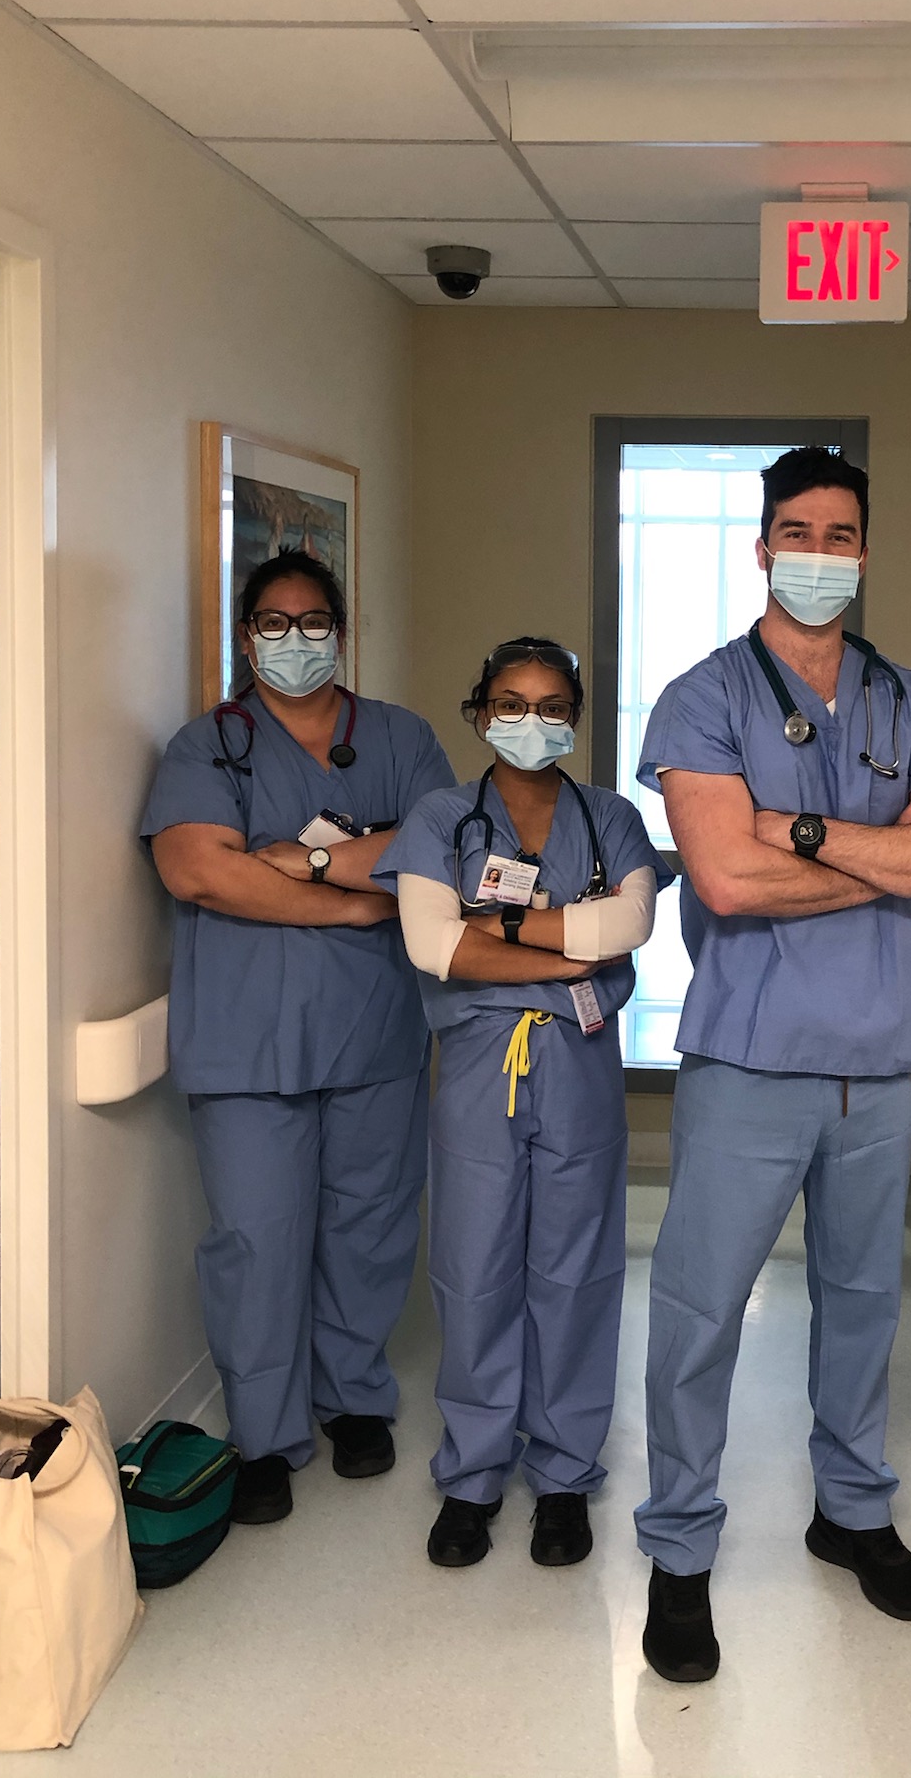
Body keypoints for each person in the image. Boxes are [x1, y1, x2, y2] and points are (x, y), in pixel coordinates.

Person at [632, 445, 911, 1685]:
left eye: (841, 534)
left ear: (866, 550)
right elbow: (725, 876)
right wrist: (889, 847)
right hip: (750, 1060)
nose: (819, 554)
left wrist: (806, 835)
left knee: (865, 1305)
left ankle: (851, 1507)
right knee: (698, 1310)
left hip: (876, 1070)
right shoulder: (702, 697)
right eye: (798, 531)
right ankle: (680, 1548)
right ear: (762, 546)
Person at [143, 551, 455, 1525]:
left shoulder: (400, 737)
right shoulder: (207, 747)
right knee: (257, 1238)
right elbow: (199, 871)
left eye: (312, 620)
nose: (294, 639)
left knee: (369, 1226)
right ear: (246, 638)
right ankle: (265, 1432)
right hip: (247, 1043)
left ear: (341, 628)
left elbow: (444, 855)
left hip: (372, 1035)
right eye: (271, 624)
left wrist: (307, 855)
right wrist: (353, 902)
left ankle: (353, 1396)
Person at [374, 639, 672, 1572]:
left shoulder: (612, 816)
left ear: (574, 718)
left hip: (579, 1066)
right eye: (509, 701)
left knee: (576, 1270)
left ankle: (565, 1474)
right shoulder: (439, 817)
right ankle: (471, 1474)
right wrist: (564, 954)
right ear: (479, 712)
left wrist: (494, 928)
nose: (529, 721)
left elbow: (628, 927)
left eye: (549, 705)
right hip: (475, 1070)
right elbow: (431, 945)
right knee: (474, 1265)